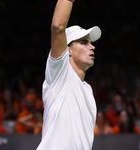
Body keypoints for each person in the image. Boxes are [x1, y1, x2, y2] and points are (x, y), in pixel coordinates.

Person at [36, 0, 101, 149]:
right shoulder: (60, 74)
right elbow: (58, 27)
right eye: (84, 42)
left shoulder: (88, 90)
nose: (92, 47)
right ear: (68, 50)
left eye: (90, 42)